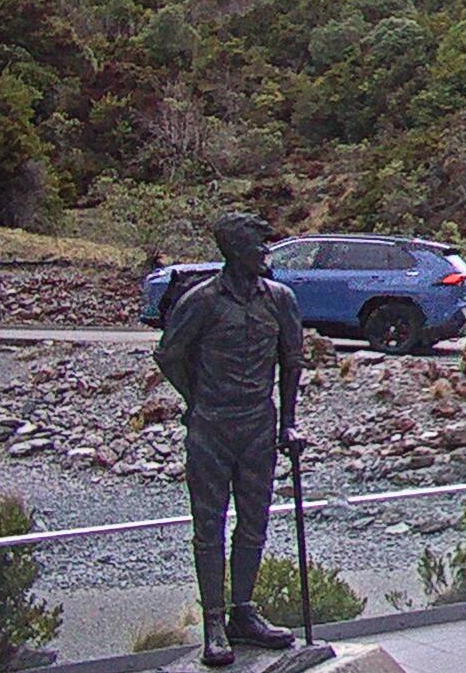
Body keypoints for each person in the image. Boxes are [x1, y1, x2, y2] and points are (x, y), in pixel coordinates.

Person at [153, 211, 305, 665]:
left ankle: (243, 612)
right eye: (259, 247)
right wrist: (198, 399)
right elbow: (169, 354)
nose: (266, 254)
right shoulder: (201, 300)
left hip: (259, 426)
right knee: (209, 527)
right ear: (236, 252)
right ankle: (214, 621)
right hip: (211, 429)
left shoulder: (280, 299)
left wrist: (288, 423)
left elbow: (292, 362)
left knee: (255, 522)